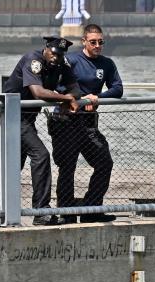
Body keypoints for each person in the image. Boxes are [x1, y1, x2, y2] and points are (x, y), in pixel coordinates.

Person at [49, 23, 123, 223]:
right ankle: (66, 213)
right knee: (67, 167)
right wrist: (81, 98)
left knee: (104, 162)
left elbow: (118, 89)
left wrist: (97, 97)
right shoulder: (71, 60)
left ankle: (91, 209)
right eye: (93, 42)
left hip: (88, 124)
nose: (97, 45)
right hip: (66, 121)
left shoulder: (107, 64)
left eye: (100, 42)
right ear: (84, 42)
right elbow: (56, 86)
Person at [4, 36, 80, 226]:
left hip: (28, 119)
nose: (57, 57)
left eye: (61, 54)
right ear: (46, 49)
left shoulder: (62, 63)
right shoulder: (34, 60)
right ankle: (41, 211)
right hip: (13, 116)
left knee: (15, 165)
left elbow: (75, 87)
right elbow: (38, 92)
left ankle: (4, 210)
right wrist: (64, 99)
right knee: (41, 155)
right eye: (54, 53)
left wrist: (70, 96)